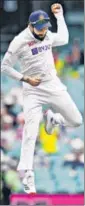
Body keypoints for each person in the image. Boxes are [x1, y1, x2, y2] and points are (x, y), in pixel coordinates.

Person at [1, 3, 83, 194]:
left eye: (45, 25)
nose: (43, 29)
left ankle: (53, 118)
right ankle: (28, 177)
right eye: (40, 26)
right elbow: (4, 67)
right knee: (30, 133)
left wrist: (60, 16)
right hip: (32, 88)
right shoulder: (19, 41)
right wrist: (25, 78)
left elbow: (63, 38)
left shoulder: (47, 35)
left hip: (52, 84)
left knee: (77, 121)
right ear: (30, 26)